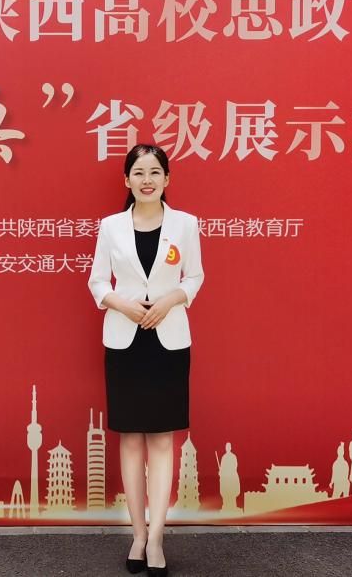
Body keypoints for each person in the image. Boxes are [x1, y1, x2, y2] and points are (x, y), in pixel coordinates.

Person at [88, 143, 205, 576]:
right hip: (125, 341)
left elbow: (195, 276)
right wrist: (123, 305)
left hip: (168, 341)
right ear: (127, 180)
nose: (147, 180)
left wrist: (172, 299)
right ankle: (137, 535)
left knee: (161, 440)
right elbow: (97, 282)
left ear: (167, 179)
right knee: (131, 441)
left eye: (155, 172)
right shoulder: (111, 227)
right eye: (138, 172)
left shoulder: (185, 224)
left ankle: (156, 538)